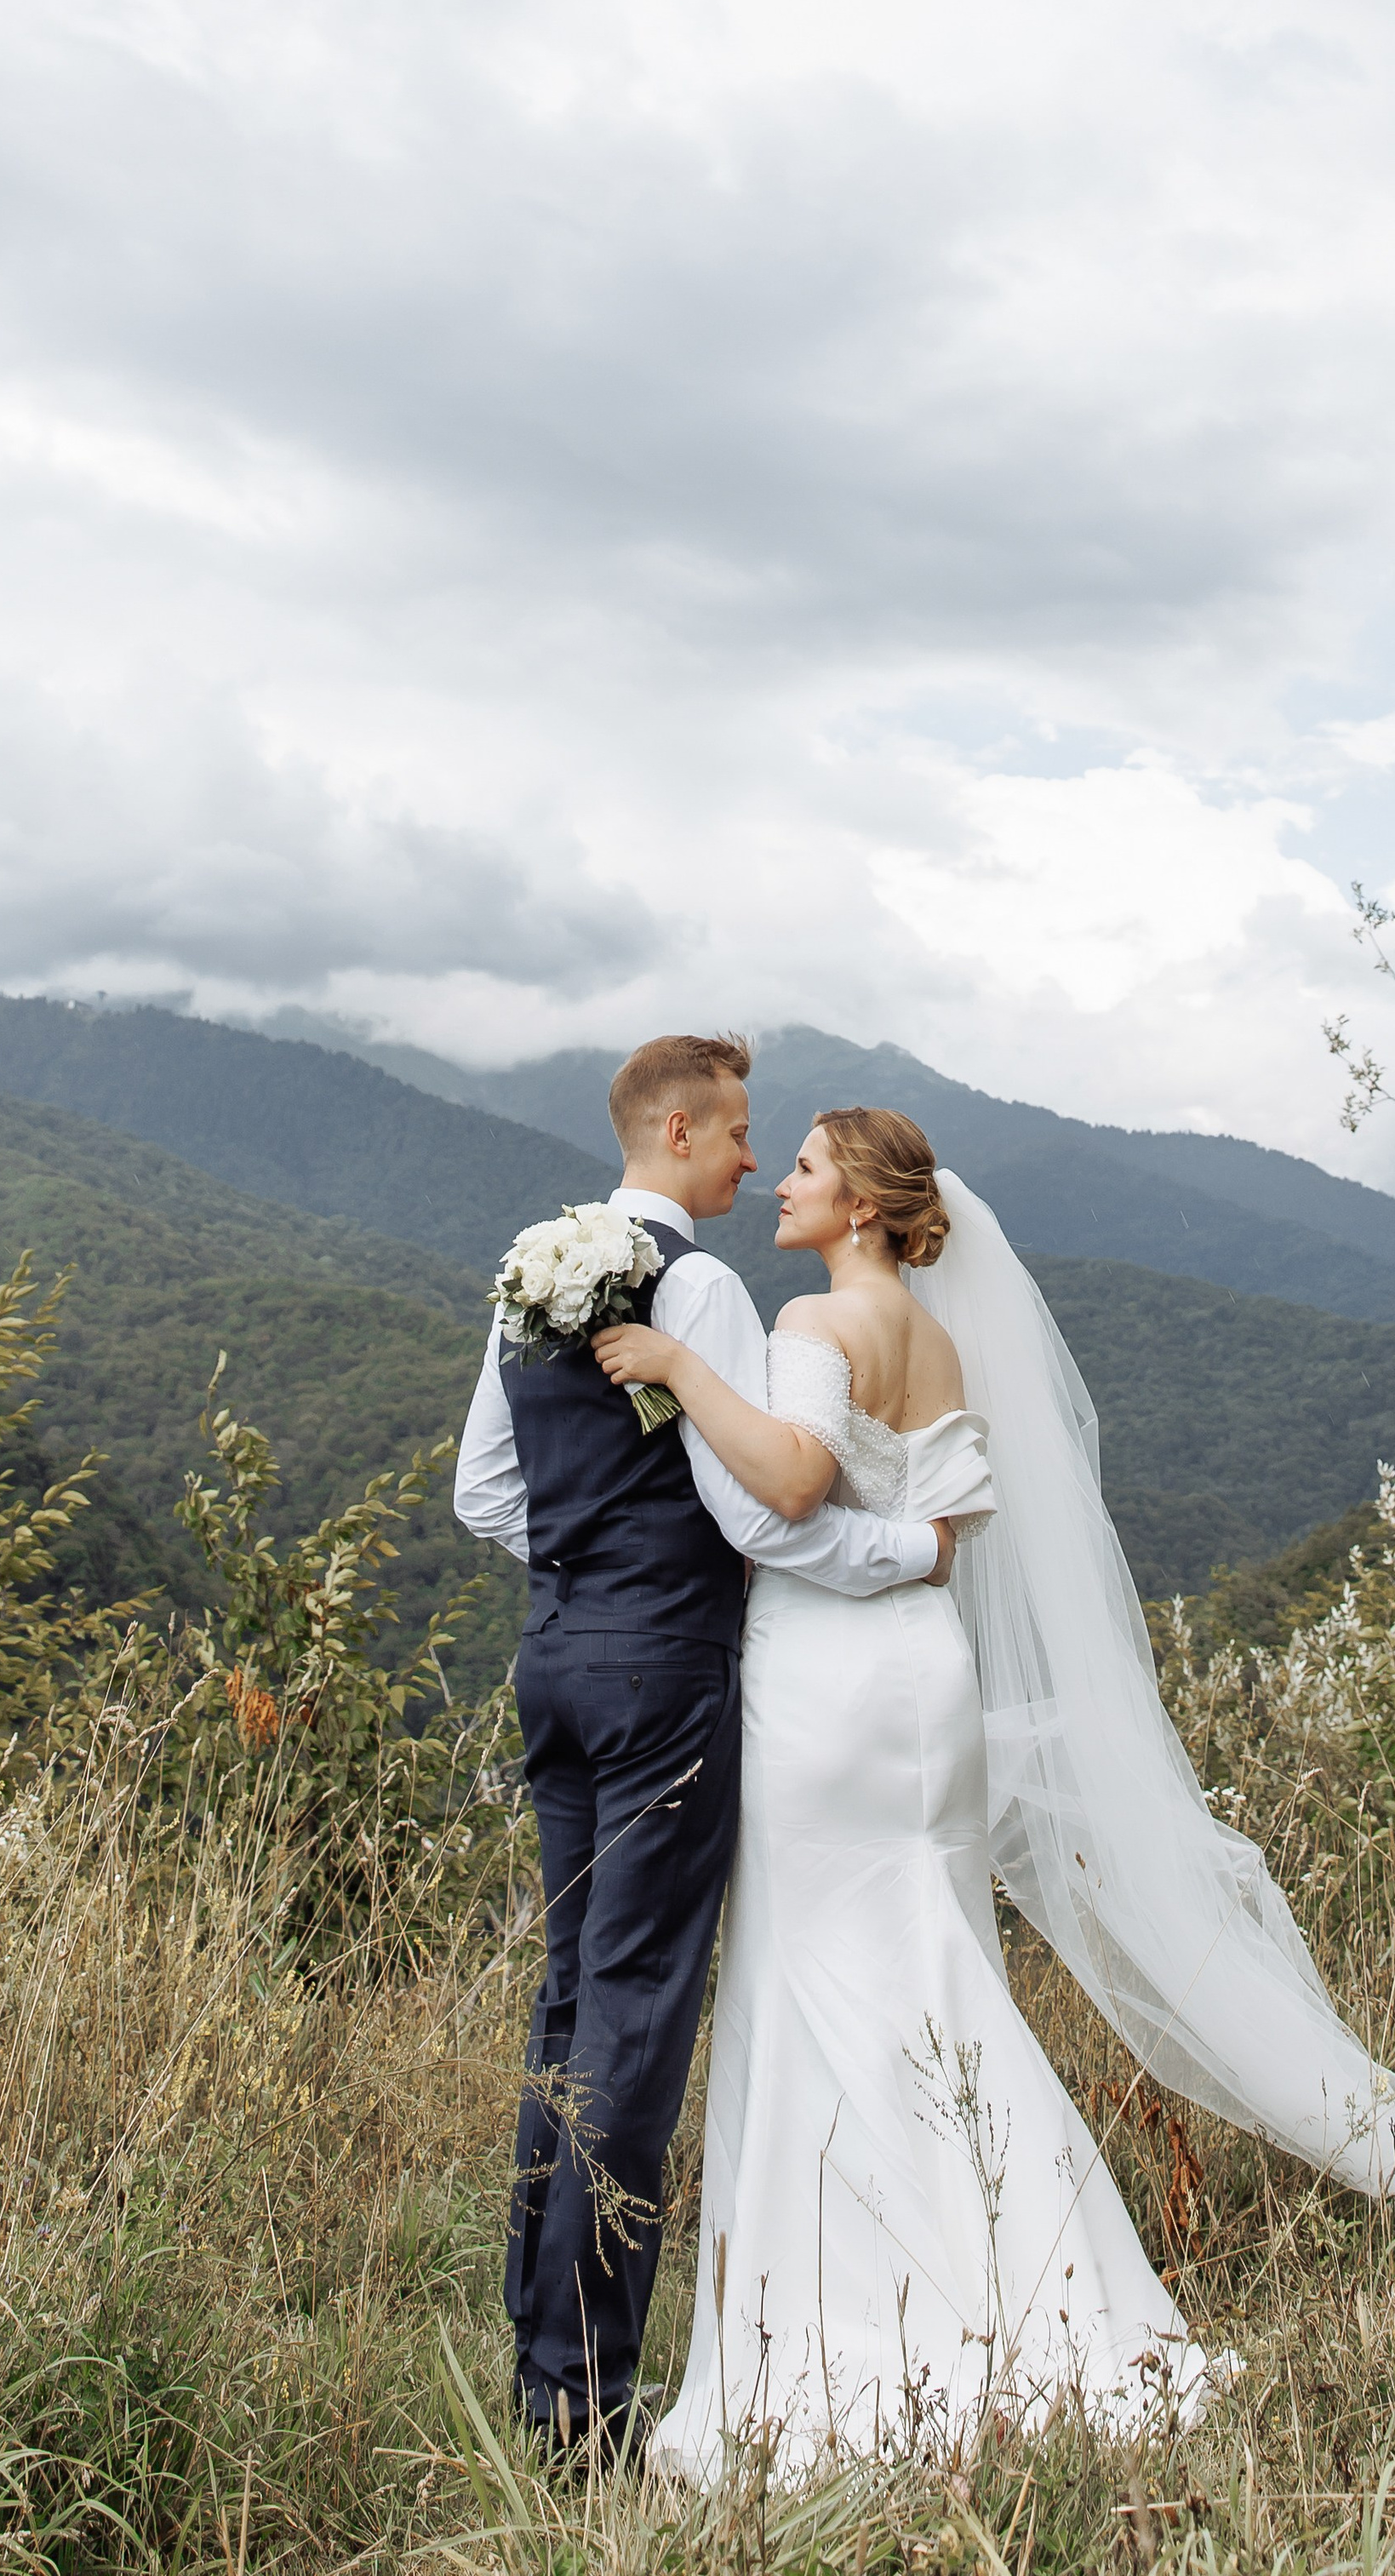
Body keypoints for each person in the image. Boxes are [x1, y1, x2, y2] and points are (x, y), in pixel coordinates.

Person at [592, 1105, 1395, 2479]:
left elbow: (787, 1494)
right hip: (929, 1694)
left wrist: (675, 1373)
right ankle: (1046, 2293)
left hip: (825, 1693)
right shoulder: (939, 1344)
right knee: (938, 1972)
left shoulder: (811, 1329)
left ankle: (837, 2325)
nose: (784, 1184)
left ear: (871, 1209)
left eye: (813, 1170)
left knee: (816, 1979)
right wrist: (882, 1546)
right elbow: (945, 1546)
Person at [452, 1035, 964, 2459]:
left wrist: (586, 1564)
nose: (751, 1156)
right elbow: (761, 1516)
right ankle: (580, 2405)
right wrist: (913, 1555)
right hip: (663, 1672)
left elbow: (483, 1493)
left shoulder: (529, 1273)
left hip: (550, 1661)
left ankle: (532, 2344)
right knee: (635, 2017)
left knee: (566, 2003)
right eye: (739, 1131)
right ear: (678, 1131)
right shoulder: (705, 1287)